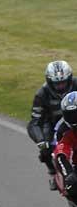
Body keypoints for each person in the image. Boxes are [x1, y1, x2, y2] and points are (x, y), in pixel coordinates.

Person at [27, 60, 77, 190]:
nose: (61, 86)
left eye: (63, 82)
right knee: (46, 150)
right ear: (50, 82)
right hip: (53, 124)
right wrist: (41, 140)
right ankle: (55, 174)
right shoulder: (41, 94)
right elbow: (35, 121)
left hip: (74, 121)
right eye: (57, 84)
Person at [53, 92, 77, 207]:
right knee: (71, 185)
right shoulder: (64, 130)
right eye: (71, 115)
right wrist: (69, 174)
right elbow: (61, 152)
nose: (75, 118)